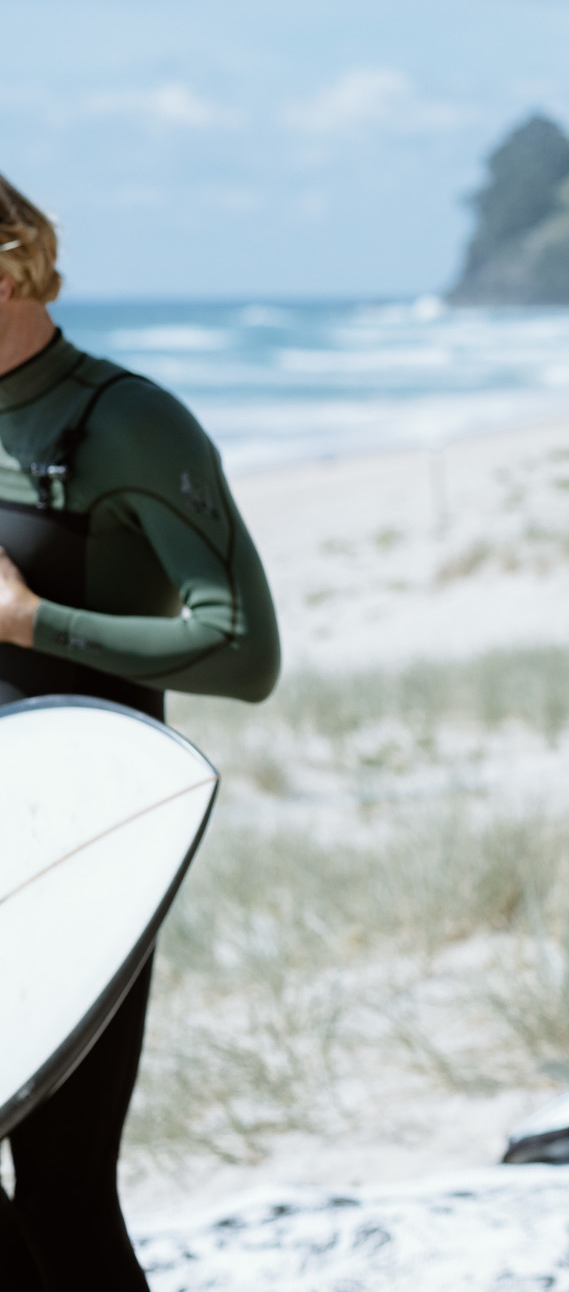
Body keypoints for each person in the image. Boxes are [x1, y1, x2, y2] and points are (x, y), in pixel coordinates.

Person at [0, 172, 280, 1290]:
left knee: (62, 1185)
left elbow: (243, 649)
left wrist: (32, 620)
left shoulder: (124, 421)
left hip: (84, 841)